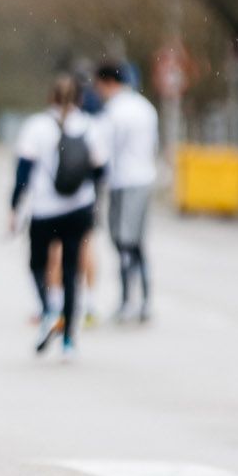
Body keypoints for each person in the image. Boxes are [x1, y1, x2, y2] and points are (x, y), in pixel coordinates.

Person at [13, 74, 102, 358]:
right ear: (80, 98)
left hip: (45, 210)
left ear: (51, 96)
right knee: (71, 269)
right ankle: (68, 341)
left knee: (37, 263)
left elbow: (23, 172)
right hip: (79, 209)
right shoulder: (90, 126)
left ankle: (49, 307)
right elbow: (101, 170)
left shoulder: (37, 126)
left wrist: (15, 206)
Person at [96, 62, 159, 322]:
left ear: (109, 82)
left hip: (123, 182)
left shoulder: (114, 112)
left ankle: (126, 301)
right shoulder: (146, 108)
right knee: (138, 242)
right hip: (145, 178)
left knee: (122, 242)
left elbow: (103, 152)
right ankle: (144, 300)